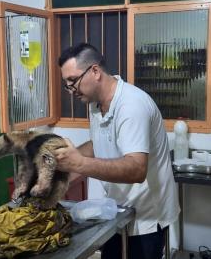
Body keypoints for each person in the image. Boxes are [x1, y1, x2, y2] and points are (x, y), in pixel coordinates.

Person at [54, 43, 180, 259]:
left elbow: (136, 169)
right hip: (116, 212)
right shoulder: (95, 104)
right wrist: (63, 160)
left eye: (73, 81)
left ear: (95, 71)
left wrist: (79, 164)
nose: (70, 90)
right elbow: (100, 143)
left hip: (146, 217)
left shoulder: (131, 105)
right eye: (67, 84)